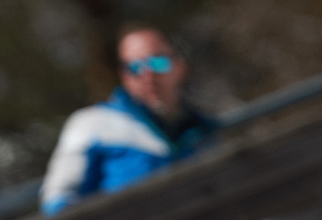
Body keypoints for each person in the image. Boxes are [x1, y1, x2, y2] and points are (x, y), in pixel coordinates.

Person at [38, 24, 217, 212]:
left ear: (180, 66)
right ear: (124, 75)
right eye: (135, 67)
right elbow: (57, 202)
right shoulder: (92, 125)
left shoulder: (204, 128)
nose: (148, 75)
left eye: (158, 62)